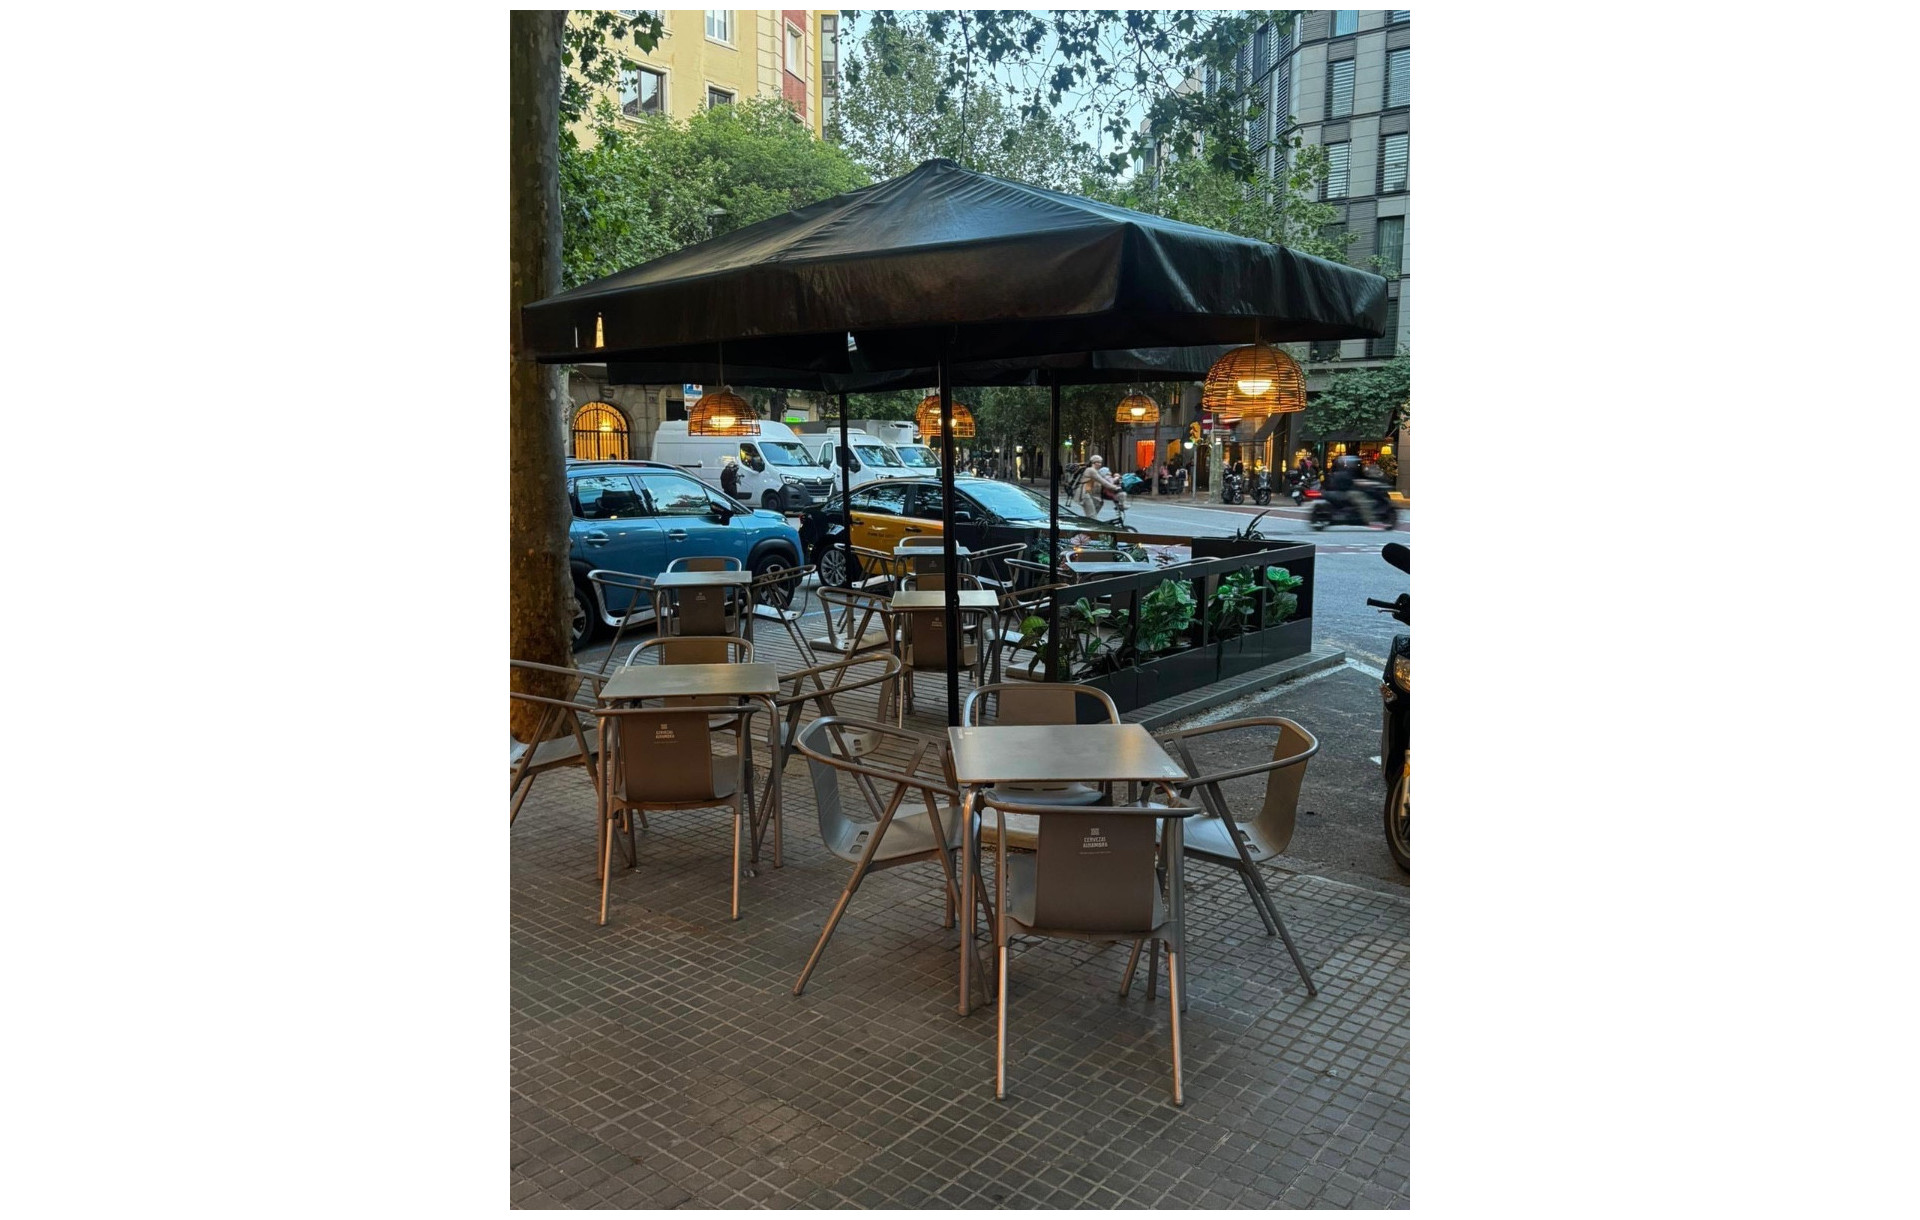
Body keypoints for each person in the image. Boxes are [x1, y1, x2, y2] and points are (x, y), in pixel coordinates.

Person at [1325, 454, 1375, 527]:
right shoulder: (1344, 472)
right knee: (1362, 499)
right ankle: (1370, 519)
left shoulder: (1339, 470)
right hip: (1344, 492)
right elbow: (1350, 481)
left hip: (1339, 491)